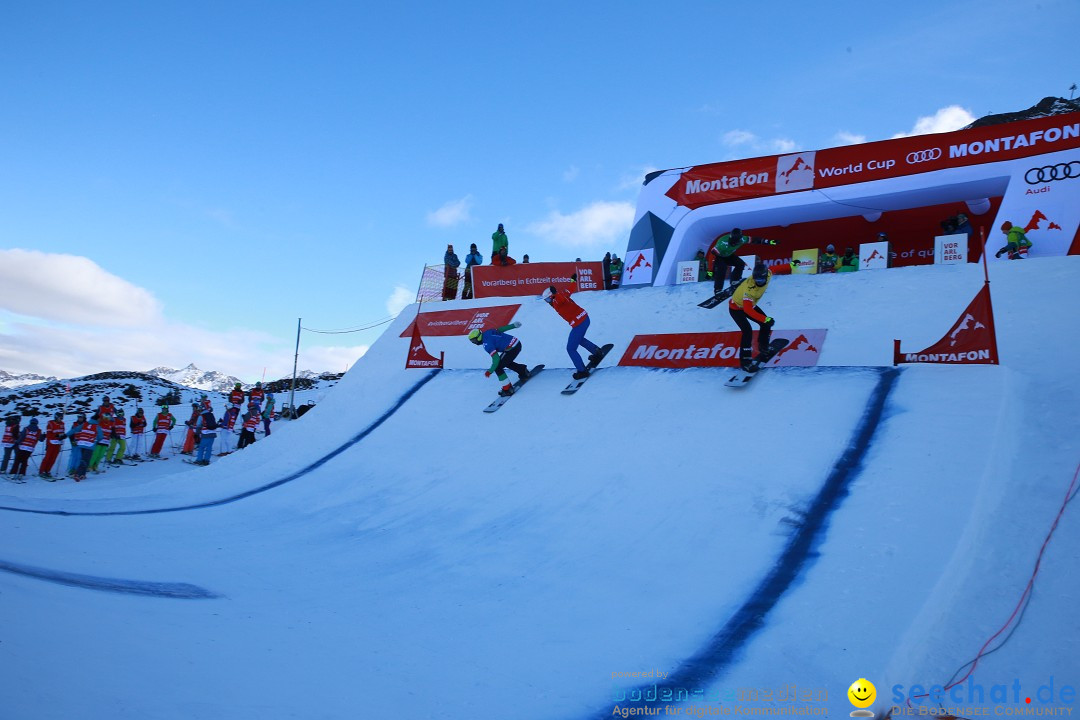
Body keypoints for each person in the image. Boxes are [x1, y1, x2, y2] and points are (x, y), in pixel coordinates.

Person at [541, 273, 607, 380]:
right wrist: (573, 281)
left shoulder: (557, 300)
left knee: (571, 348)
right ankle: (596, 352)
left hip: (579, 323)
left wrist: (555, 293)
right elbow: (570, 289)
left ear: (551, 297)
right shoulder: (562, 295)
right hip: (585, 318)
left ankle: (582, 371)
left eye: (547, 300)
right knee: (579, 339)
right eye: (546, 301)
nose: (548, 303)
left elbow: (560, 299)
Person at [728, 261, 775, 371]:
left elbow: (775, 268)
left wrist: (791, 265)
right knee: (747, 331)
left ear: (765, 276)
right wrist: (765, 319)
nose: (759, 282)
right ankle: (745, 362)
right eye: (756, 280)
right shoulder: (749, 289)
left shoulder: (768, 274)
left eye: (761, 280)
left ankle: (764, 347)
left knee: (765, 324)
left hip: (749, 306)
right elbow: (748, 310)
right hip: (736, 309)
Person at [467, 321, 529, 397]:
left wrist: (490, 371)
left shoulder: (487, 344)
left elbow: (496, 359)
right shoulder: (488, 332)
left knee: (498, 367)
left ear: (479, 337)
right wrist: (513, 325)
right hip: (516, 343)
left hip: (512, 348)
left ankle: (507, 389)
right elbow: (500, 329)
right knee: (505, 362)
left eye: (474, 340)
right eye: (472, 341)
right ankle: (522, 371)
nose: (474, 342)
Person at [707, 228, 778, 292]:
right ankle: (718, 289)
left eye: (736, 242)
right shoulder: (722, 244)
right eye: (732, 242)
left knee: (740, 264)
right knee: (722, 268)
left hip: (728, 255)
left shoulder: (742, 239)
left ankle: (734, 281)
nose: (734, 244)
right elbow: (712, 256)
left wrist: (769, 241)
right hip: (718, 257)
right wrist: (710, 271)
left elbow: (754, 240)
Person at [38, 412, 66, 479]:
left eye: (62, 418)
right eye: (60, 418)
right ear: (56, 417)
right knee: (47, 458)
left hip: (58, 444)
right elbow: (49, 435)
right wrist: (57, 436)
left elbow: (62, 432)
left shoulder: (62, 424)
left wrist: (63, 436)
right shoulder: (50, 424)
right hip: (51, 443)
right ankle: (42, 471)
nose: (61, 419)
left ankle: (47, 471)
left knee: (53, 458)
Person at [193, 400, 218, 466]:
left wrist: (197, 434)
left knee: (201, 447)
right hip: (213, 433)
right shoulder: (211, 414)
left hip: (205, 433)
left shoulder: (201, 416)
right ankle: (206, 460)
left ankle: (199, 460)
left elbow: (198, 425)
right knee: (209, 447)